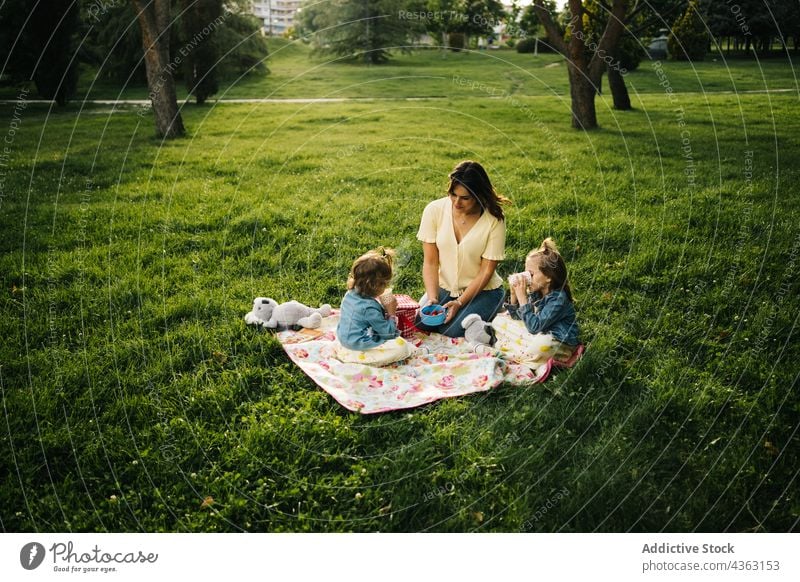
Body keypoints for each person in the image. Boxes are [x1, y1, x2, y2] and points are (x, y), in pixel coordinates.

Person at [415, 160, 510, 337]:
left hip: (483, 291)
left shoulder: (494, 219)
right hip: (445, 287)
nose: (457, 202)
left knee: (450, 330)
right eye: (453, 194)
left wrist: (459, 302)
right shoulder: (434, 210)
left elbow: (486, 271)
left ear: (479, 195)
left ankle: (495, 315)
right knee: (421, 322)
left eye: (465, 198)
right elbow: (430, 262)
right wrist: (433, 297)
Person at [493, 237, 580, 365]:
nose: (527, 278)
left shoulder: (558, 300)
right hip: (539, 332)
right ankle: (524, 352)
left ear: (549, 277)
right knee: (498, 321)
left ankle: (526, 353)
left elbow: (534, 327)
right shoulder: (536, 292)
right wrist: (514, 296)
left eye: (531, 274)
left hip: (558, 340)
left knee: (541, 345)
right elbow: (519, 317)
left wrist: (523, 299)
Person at [336, 247, 419, 366]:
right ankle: (360, 360)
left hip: (344, 341)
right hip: (358, 349)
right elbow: (389, 334)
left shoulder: (350, 294)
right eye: (385, 284)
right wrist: (391, 312)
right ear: (375, 286)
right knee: (402, 346)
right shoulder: (369, 308)